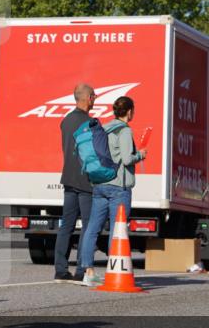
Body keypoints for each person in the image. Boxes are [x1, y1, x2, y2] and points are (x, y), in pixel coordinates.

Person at [77, 96, 147, 276]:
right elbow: (126, 158)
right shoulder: (124, 131)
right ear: (130, 111)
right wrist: (140, 154)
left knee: (92, 227)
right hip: (118, 187)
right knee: (117, 230)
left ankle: (88, 271)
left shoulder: (105, 128)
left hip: (100, 184)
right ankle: (114, 270)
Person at [53, 83, 99, 285]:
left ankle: (60, 270)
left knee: (66, 226)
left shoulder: (66, 121)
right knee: (88, 226)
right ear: (87, 98)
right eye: (94, 96)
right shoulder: (91, 123)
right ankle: (82, 268)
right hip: (85, 180)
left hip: (69, 178)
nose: (95, 99)